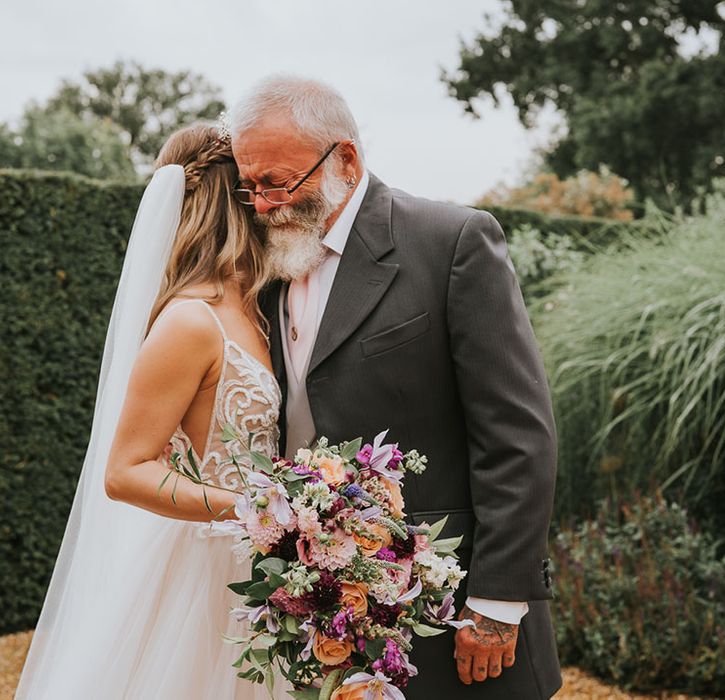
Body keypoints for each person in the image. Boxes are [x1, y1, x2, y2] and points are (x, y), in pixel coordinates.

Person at [232, 75, 561, 699]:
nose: (263, 204)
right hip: (320, 612)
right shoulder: (267, 264)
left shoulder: (453, 242)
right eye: (251, 186)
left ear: (346, 160)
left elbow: (518, 435)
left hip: (453, 613)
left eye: (276, 181)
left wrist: (498, 601)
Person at [14, 123, 290, 699]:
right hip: (207, 576)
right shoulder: (190, 320)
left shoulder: (264, 307)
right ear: (232, 201)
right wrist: (249, 509)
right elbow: (125, 470)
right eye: (257, 189)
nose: (272, 203)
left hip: (269, 569)